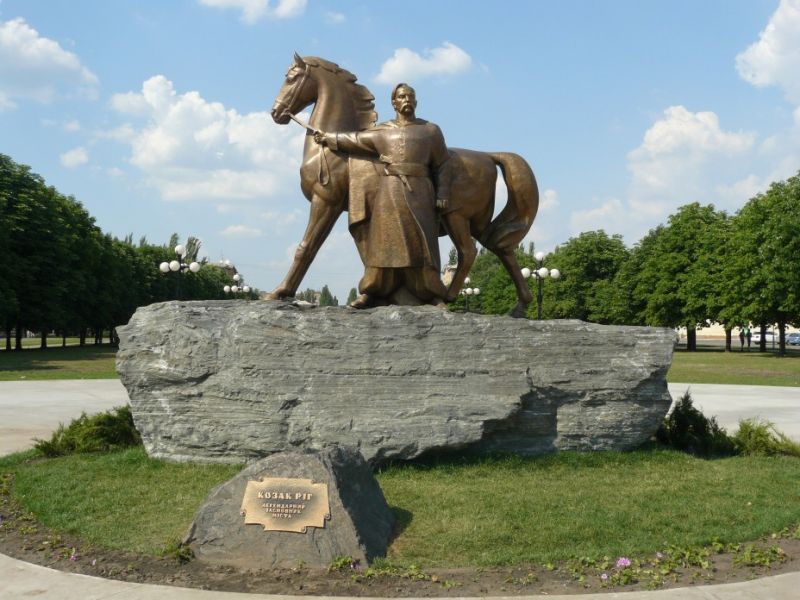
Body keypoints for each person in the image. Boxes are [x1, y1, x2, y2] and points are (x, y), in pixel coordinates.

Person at [314, 83, 451, 308]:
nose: (406, 99)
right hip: (390, 191)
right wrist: (328, 137)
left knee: (423, 246)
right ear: (394, 102)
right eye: (402, 96)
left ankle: (432, 294)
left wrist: (443, 192)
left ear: (416, 102)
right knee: (382, 244)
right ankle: (372, 292)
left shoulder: (431, 131)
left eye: (410, 96)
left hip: (421, 192)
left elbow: (443, 164)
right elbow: (354, 140)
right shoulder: (383, 131)